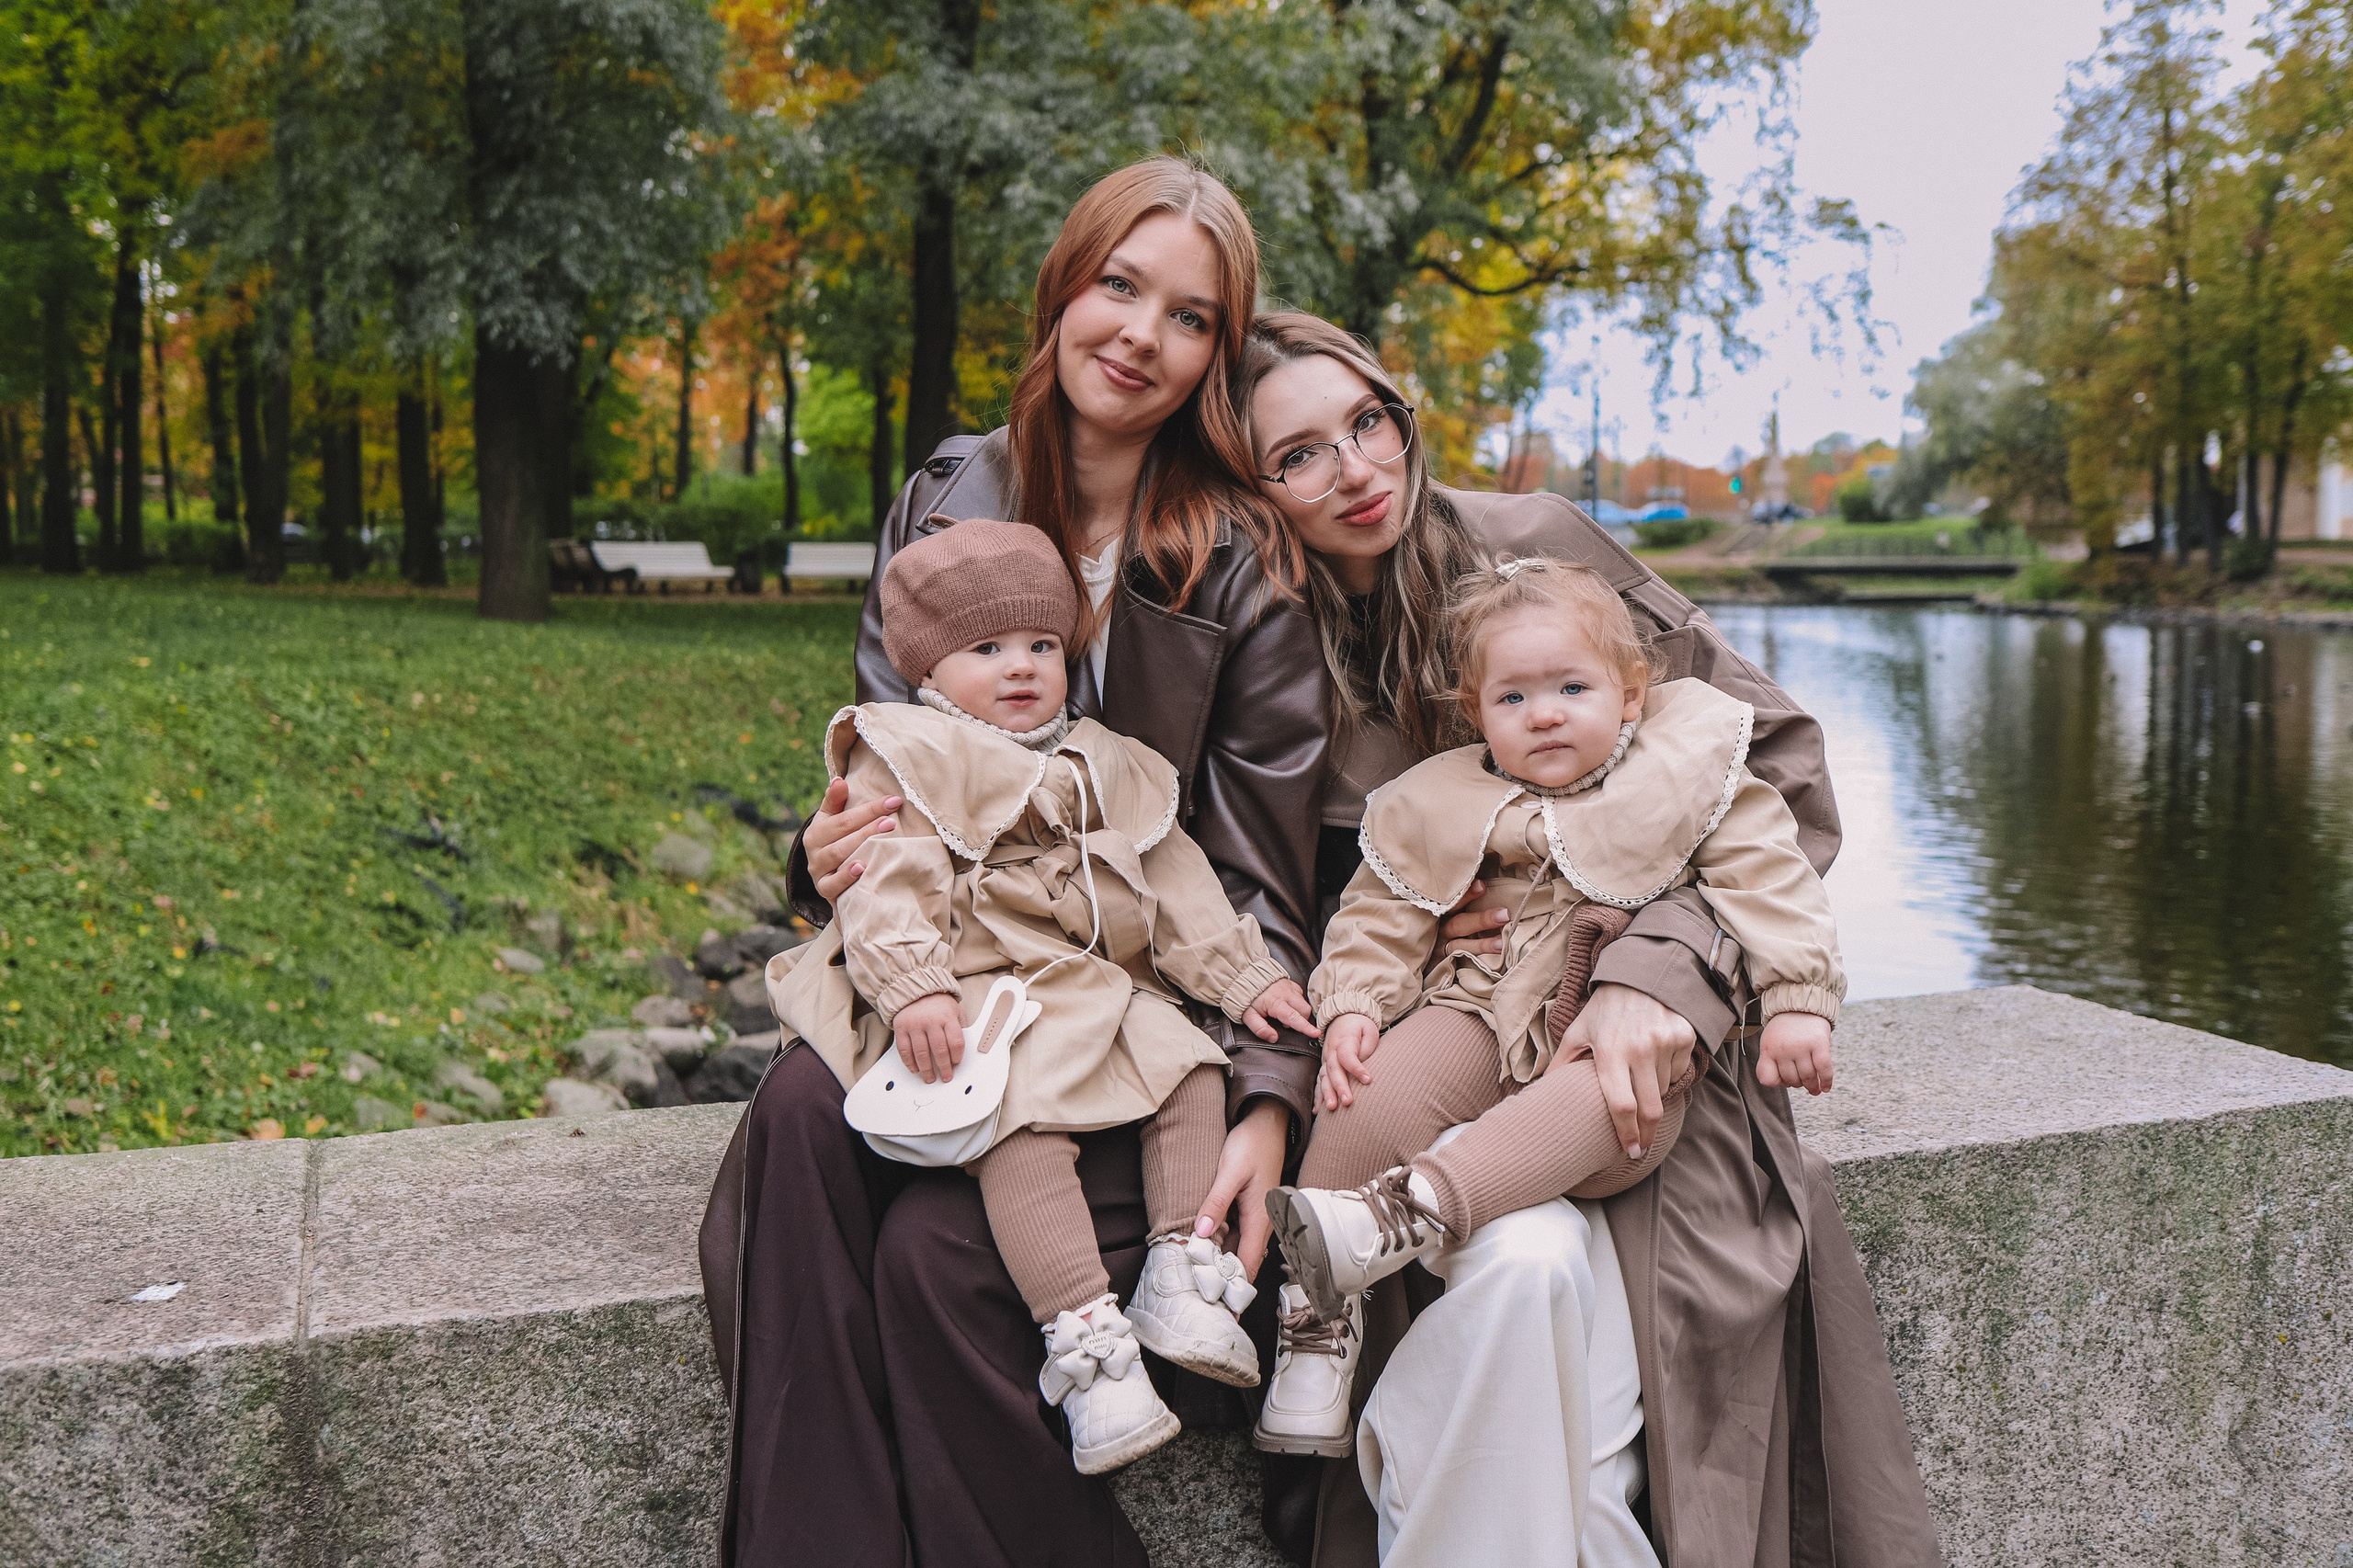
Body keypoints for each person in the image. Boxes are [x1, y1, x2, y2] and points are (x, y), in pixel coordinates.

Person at [699, 155, 1339, 1568]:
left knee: (936, 1260)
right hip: (956, 979)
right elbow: (883, 777)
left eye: (1189, 318)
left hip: (1136, 1009)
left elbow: (1259, 870)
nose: (1140, 335)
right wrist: (827, 858)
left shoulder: (1238, 560)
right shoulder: (945, 499)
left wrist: (1269, 1101)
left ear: (1215, 359)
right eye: (1120, 285)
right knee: (800, 1119)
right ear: (1064, 288)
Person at [1236, 311, 1938, 1568]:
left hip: (1626, 1049)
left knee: (1579, 1324)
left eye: (1368, 422)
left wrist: (1654, 968)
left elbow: (1760, 774)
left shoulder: (1535, 551)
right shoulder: (1244, 631)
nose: (1356, 468)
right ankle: (1330, 1310)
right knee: (1502, 1282)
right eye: (1297, 455)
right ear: (1248, 486)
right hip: (1433, 1041)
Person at [770, 518, 1318, 1475]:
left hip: (1096, 986)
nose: (1020, 666)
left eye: (1041, 646)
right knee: (1015, 1127)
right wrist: (911, 987)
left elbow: (1175, 881)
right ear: (929, 667)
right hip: (979, 991)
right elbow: (884, 875)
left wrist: (1244, 975)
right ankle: (1085, 1341)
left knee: (1188, 1066)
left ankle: (1174, 1267)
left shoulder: (1106, 757)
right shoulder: (908, 749)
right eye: (987, 649)